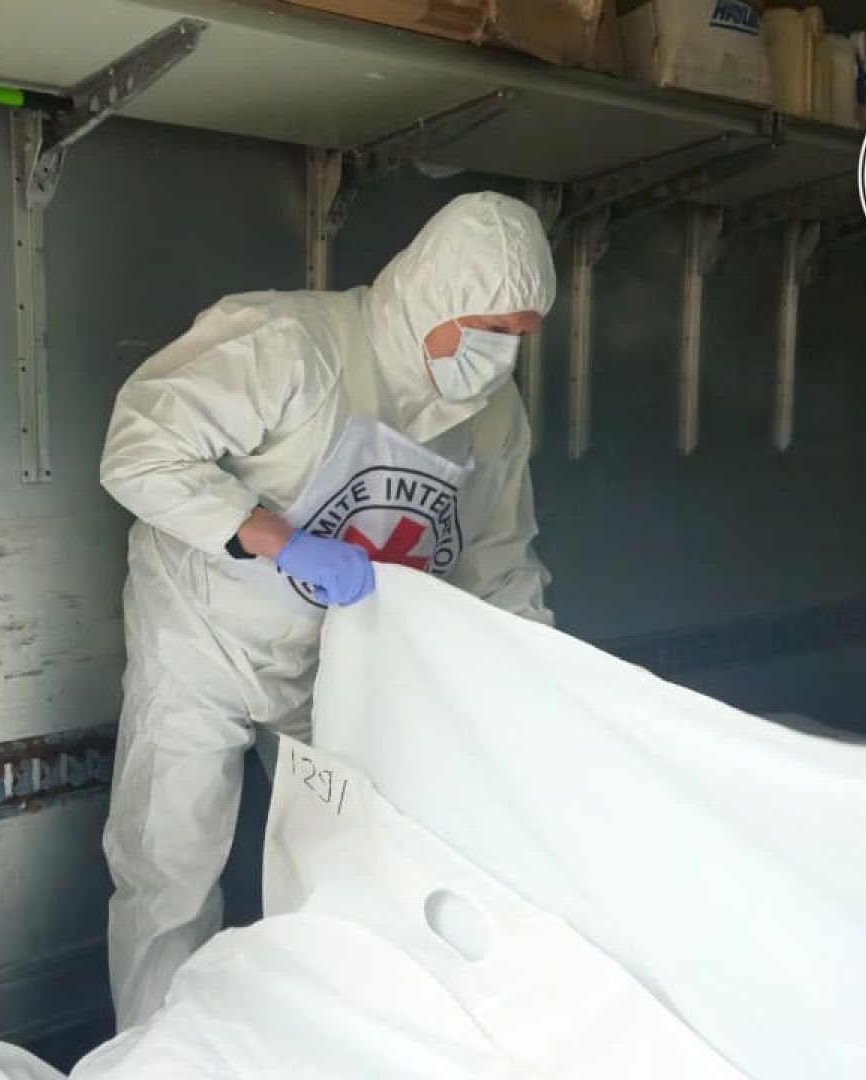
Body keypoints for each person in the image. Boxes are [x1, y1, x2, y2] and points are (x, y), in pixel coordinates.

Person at [97, 191, 558, 1028]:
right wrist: (275, 537)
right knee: (170, 866)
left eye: (521, 334)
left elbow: (499, 560)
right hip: (204, 640)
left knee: (349, 873)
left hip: (339, 666)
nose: (501, 354)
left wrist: (543, 681)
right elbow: (139, 449)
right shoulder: (289, 345)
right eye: (489, 328)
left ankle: (311, 1048)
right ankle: (155, 1054)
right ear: (434, 297)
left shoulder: (493, 417)